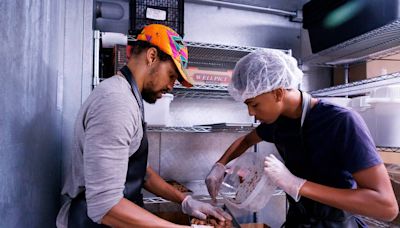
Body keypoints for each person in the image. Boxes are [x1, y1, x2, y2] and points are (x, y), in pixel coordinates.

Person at [56, 24, 231, 228]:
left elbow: (141, 171)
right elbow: (105, 207)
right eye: (172, 76)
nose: (169, 87)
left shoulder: (129, 97)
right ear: (151, 56)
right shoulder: (117, 102)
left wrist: (185, 201)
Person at [205, 49, 399, 227]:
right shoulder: (277, 122)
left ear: (278, 93)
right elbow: (246, 141)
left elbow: (386, 207)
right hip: (298, 221)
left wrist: (297, 185)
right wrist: (220, 165)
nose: (250, 113)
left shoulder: (341, 122)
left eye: (254, 104)